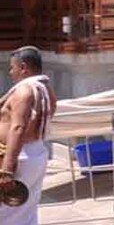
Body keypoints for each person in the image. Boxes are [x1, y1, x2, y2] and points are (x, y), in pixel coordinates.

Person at [0, 46, 56, 225]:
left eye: (12, 67)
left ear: (23, 67)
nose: (10, 72)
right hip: (35, 152)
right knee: (25, 210)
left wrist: (7, 171)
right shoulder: (46, 90)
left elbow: (18, 128)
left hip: (18, 157)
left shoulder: (24, 91)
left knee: (7, 212)